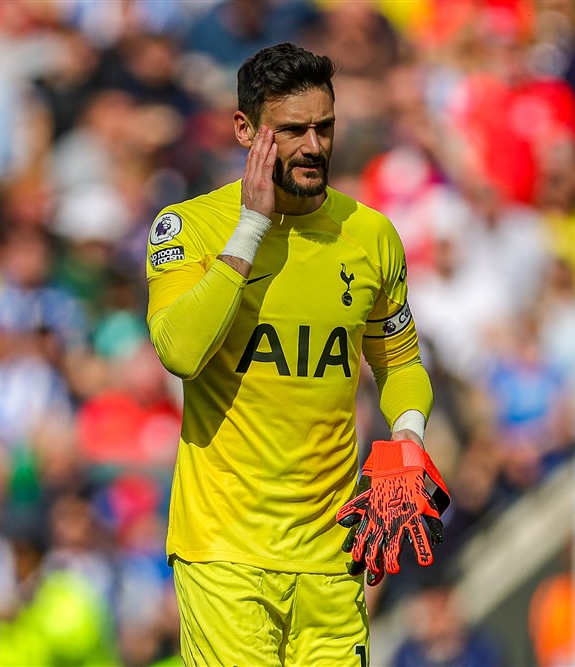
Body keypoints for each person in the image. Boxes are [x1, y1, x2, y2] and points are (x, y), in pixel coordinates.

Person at [145, 43, 448, 666]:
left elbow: (399, 361)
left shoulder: (371, 235)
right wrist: (250, 229)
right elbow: (179, 351)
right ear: (245, 130)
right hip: (225, 554)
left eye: (324, 127)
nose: (313, 146)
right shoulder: (188, 228)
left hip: (334, 557)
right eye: (291, 131)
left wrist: (410, 437)